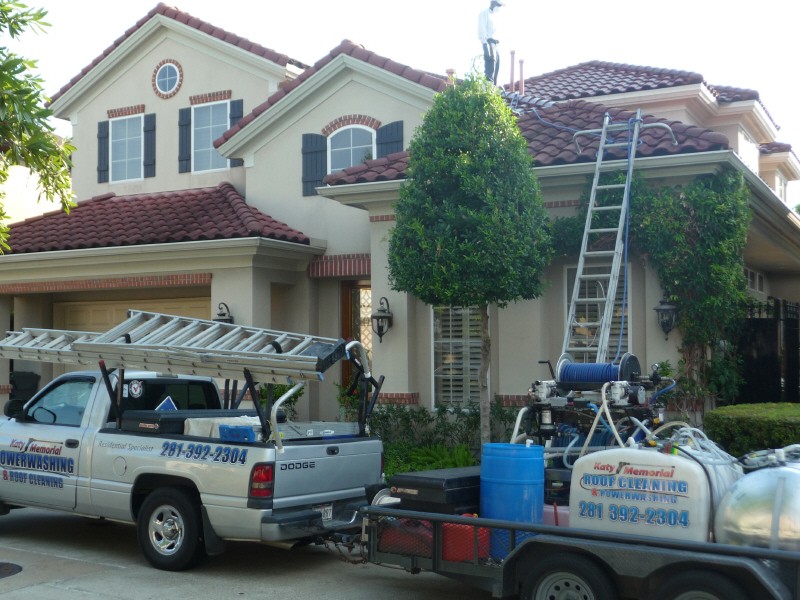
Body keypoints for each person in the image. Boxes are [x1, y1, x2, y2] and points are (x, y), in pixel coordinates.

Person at [478, 0, 504, 85]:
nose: (499, 7)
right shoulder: (484, 14)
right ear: (493, 3)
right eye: (498, 5)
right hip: (489, 42)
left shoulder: (496, 16)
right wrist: (485, 44)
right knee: (490, 67)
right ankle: (488, 87)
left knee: (496, 68)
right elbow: (482, 30)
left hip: (496, 44)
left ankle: (494, 87)